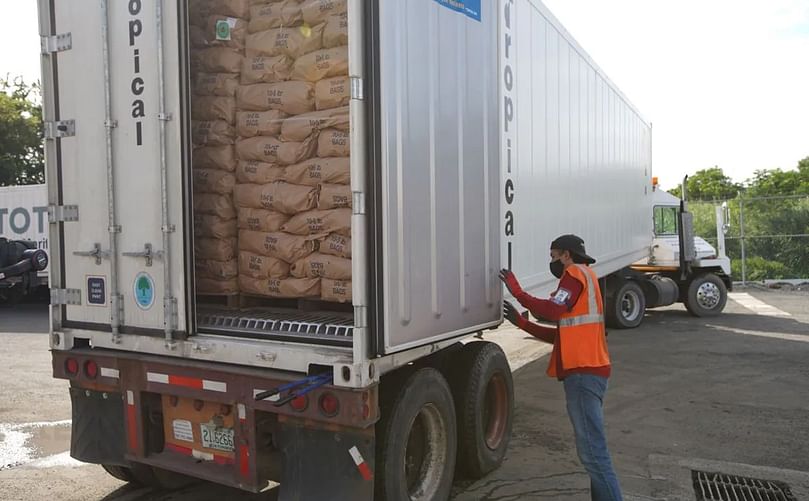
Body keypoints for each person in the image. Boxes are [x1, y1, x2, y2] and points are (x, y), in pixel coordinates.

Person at [499, 234, 623, 501]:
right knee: (594, 454)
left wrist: (518, 292)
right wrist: (523, 324)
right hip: (593, 371)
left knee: (594, 455)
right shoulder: (587, 279)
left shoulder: (574, 274)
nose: (552, 261)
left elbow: (554, 311)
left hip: (583, 374)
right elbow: (563, 334)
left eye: (554, 256)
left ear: (567, 254)